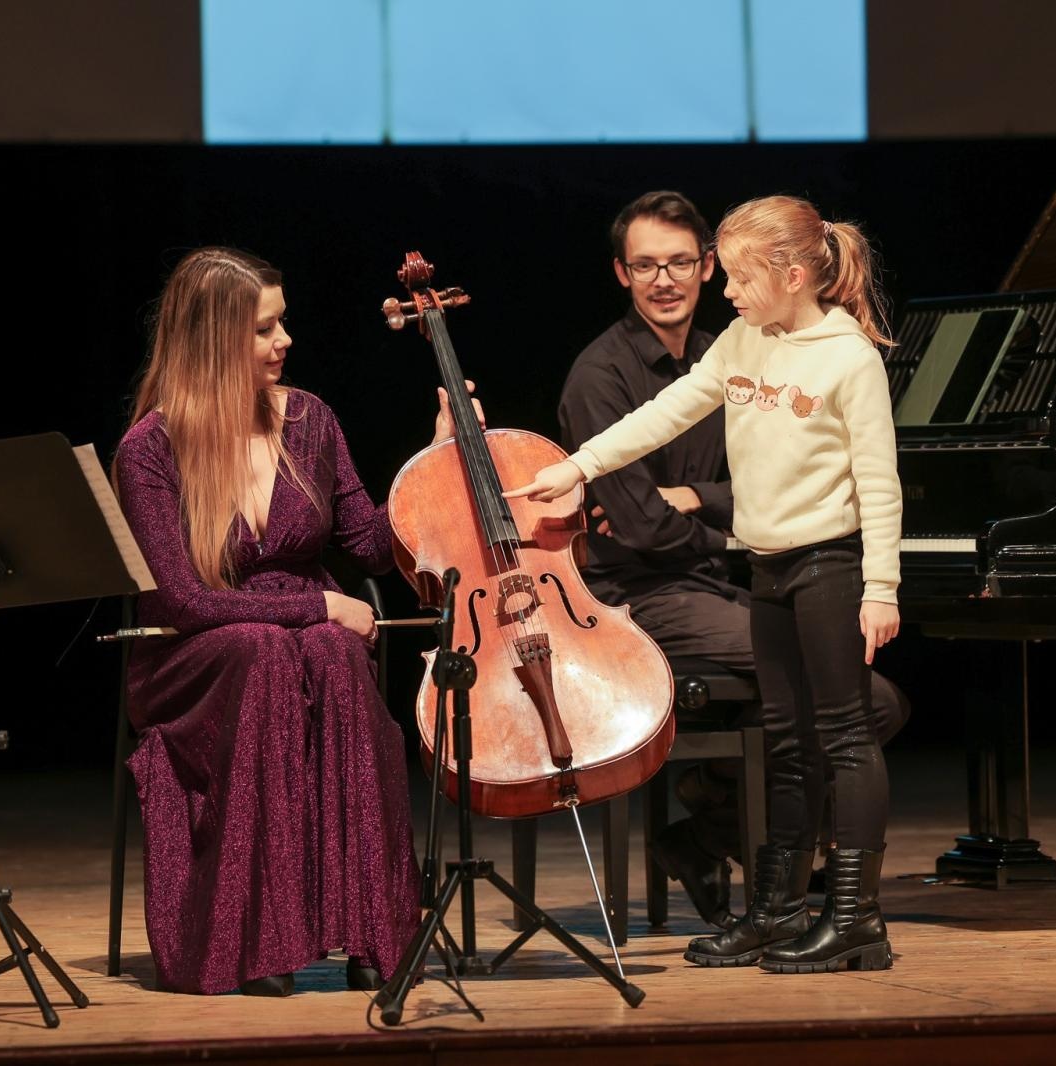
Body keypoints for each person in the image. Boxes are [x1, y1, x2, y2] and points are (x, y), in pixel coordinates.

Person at [510, 196, 902, 974]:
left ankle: (855, 916)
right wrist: (578, 466)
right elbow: (664, 411)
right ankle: (777, 909)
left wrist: (881, 585)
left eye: (740, 275)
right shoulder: (743, 339)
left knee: (846, 739)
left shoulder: (847, 355)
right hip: (768, 570)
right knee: (787, 745)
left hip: (828, 567)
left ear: (792, 274)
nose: (726, 290)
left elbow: (879, 480)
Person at [114, 246, 478, 997]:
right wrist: (316, 604)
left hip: (301, 645)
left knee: (331, 657)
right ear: (212, 340)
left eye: (282, 324)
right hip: (192, 655)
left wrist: (441, 455)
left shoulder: (310, 419)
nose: (285, 341)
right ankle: (254, 942)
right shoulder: (150, 448)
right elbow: (184, 600)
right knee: (268, 650)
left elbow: (373, 548)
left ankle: (375, 931)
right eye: (262, 331)